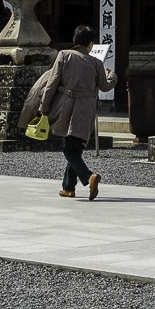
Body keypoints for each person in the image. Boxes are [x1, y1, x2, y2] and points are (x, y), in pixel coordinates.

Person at [17, 25, 116, 200]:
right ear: (91, 44)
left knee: (69, 150)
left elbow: (51, 83)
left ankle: (89, 176)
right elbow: (105, 86)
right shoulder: (96, 63)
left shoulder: (64, 55)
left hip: (66, 106)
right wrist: (112, 77)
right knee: (75, 147)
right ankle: (68, 188)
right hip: (86, 109)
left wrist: (44, 108)